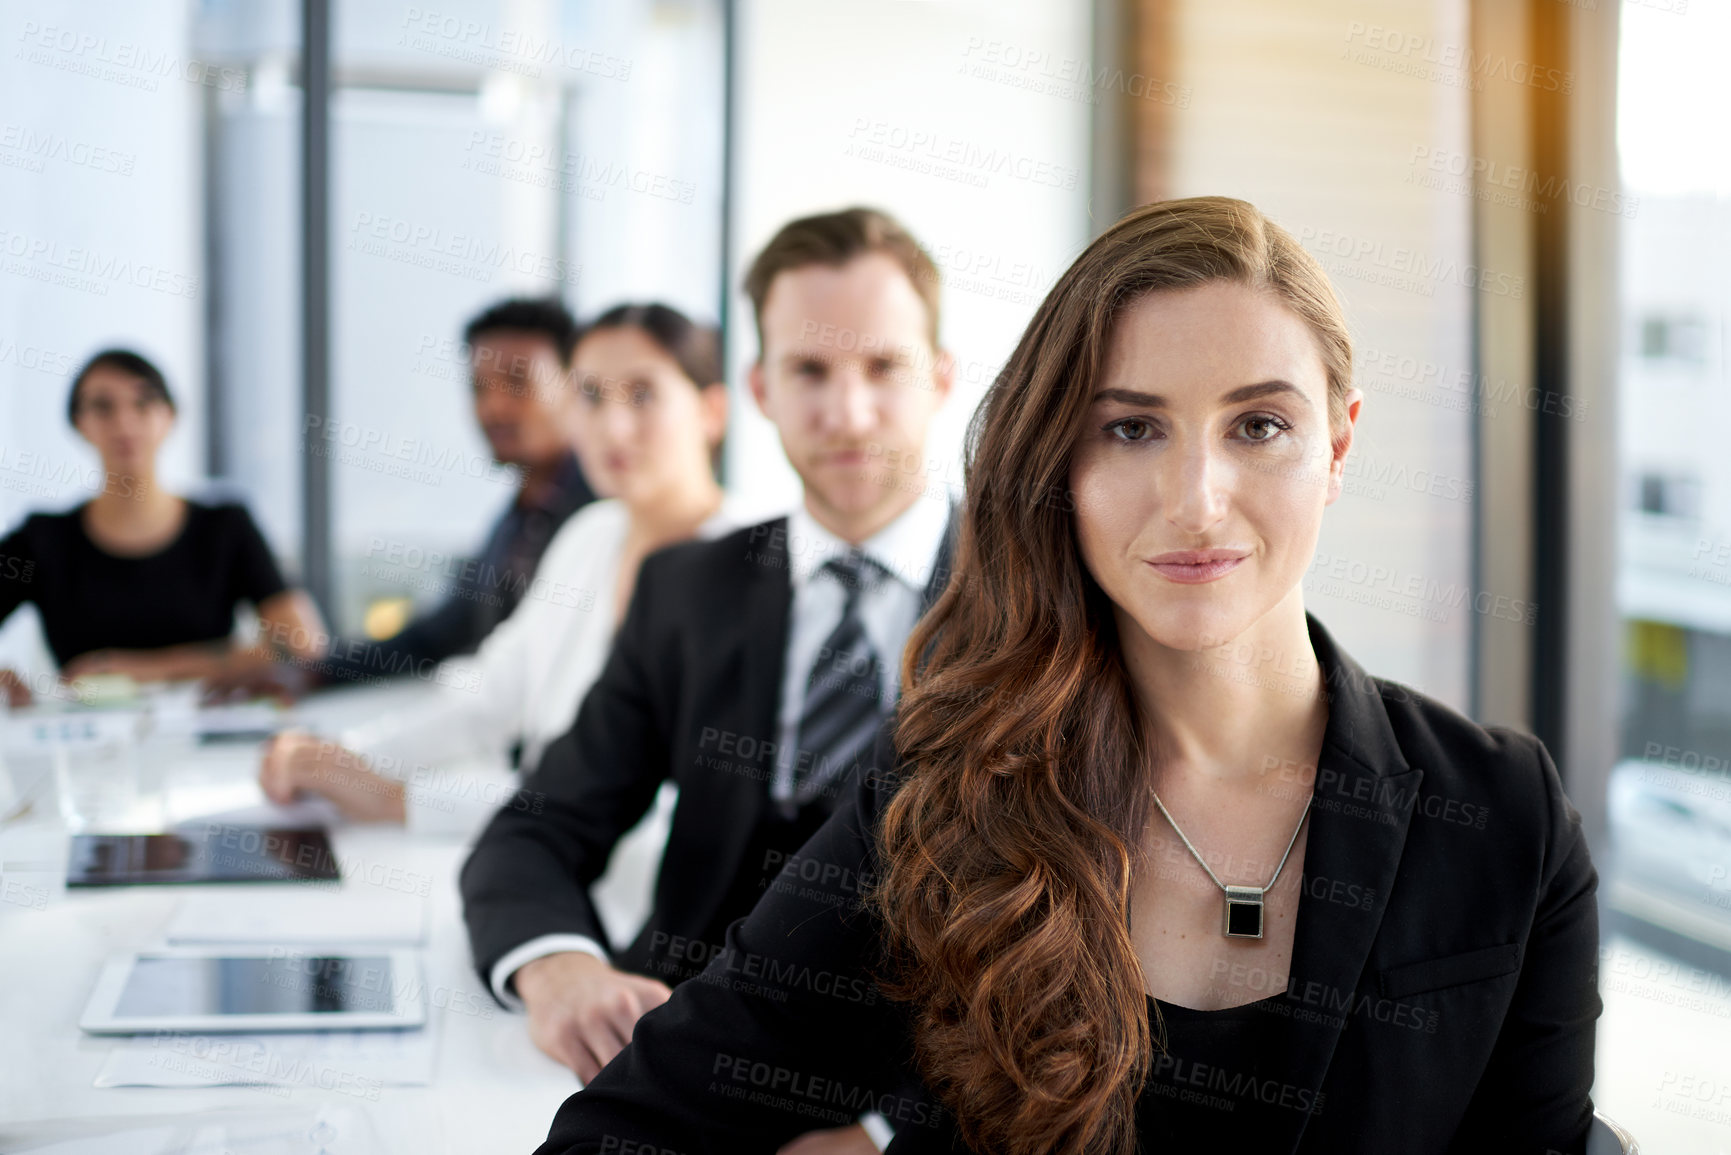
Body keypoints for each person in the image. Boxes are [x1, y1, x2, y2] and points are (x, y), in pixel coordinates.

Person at [529, 198, 1602, 1155]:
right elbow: (630, 1125)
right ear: (1061, 466)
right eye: (1131, 428)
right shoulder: (948, 792)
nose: (1196, 500)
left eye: (1261, 425)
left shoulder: (1503, 811)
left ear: (1338, 446)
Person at [460, 208, 958, 1151]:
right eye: (810, 370)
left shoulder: (1044, 605)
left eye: (882, 368)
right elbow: (537, 827)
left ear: (939, 378)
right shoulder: (688, 588)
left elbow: (1100, 936)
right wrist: (558, 964)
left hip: (913, 1095)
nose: (846, 413)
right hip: (676, 1063)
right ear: (761, 387)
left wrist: (891, 1134)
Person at [255, 303, 736, 839]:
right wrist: (343, 761)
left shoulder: (746, 570)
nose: (612, 427)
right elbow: (493, 692)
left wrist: (400, 800)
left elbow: (646, 808)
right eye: (592, 396)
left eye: (642, 394)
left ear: (711, 411)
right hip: (540, 868)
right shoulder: (592, 535)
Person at [213, 297, 599, 698]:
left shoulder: (604, 511)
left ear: (578, 387)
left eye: (518, 384)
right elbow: (436, 636)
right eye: (478, 387)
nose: (494, 407)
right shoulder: (516, 521)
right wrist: (314, 673)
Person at [0, 349, 325, 705]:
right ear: (79, 422)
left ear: (169, 416)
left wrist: (148, 669)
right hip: (86, 747)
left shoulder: (225, 528)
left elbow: (302, 644)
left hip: (210, 741)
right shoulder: (43, 541)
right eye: (103, 407)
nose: (124, 423)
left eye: (143, 402)